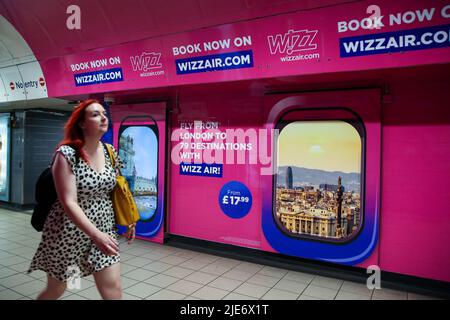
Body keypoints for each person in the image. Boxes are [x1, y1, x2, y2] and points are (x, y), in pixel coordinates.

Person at [28, 99, 135, 300]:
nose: (103, 117)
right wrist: (96, 234)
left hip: (104, 230)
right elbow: (69, 202)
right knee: (58, 289)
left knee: (113, 288)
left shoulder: (109, 151)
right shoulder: (67, 154)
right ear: (82, 124)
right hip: (68, 234)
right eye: (95, 114)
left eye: (104, 113)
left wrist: (128, 219)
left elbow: (118, 189)